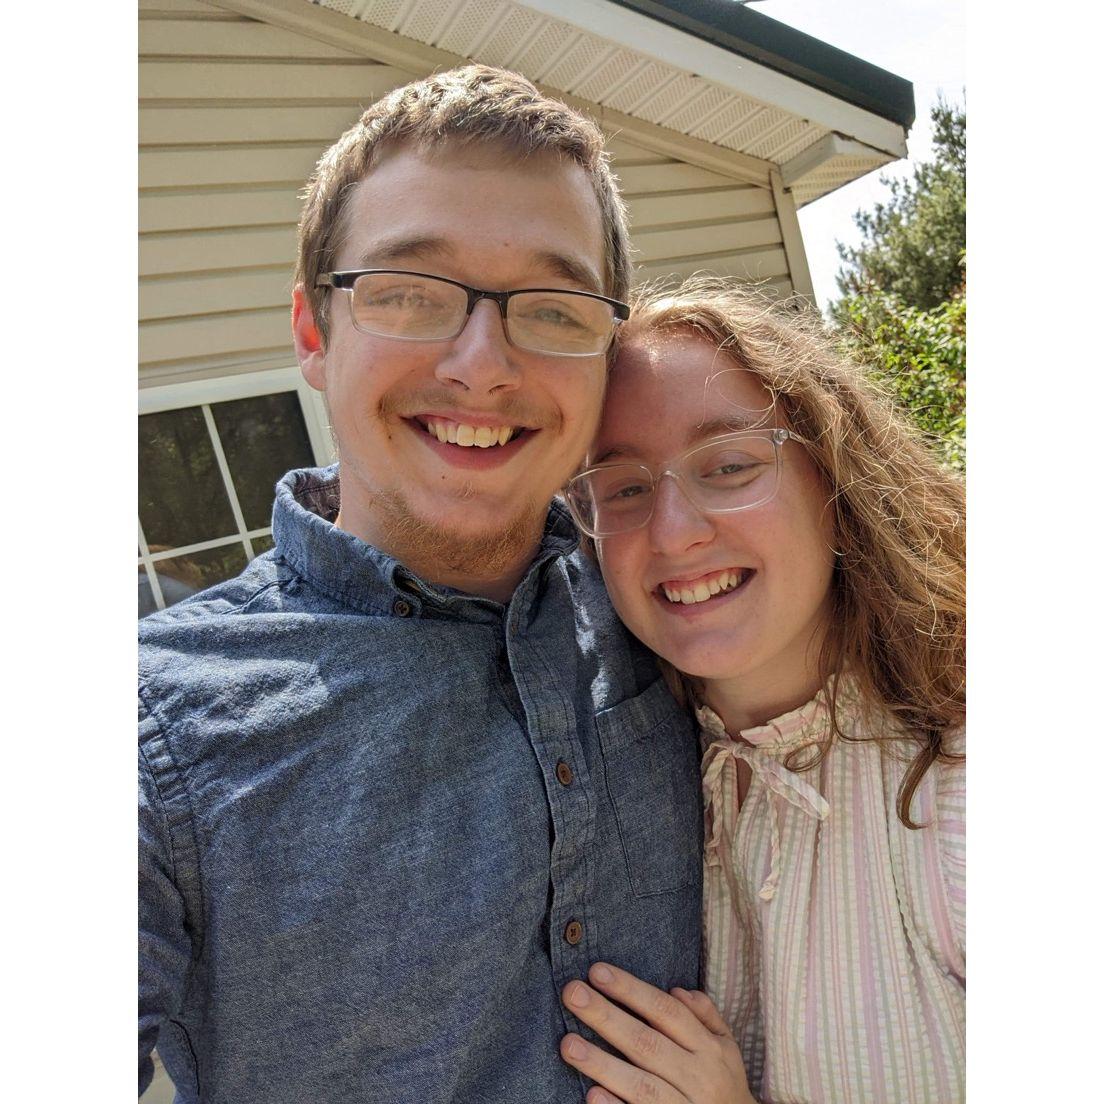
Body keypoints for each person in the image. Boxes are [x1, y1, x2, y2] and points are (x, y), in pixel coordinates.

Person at [138, 66, 704, 1103]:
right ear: (314, 333)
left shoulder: (676, 606)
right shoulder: (153, 730)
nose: (482, 366)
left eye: (554, 308)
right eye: (408, 293)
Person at [555, 278, 966, 1104]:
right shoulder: (623, 780)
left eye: (730, 465)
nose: (674, 532)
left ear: (837, 478)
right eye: (624, 488)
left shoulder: (959, 785)